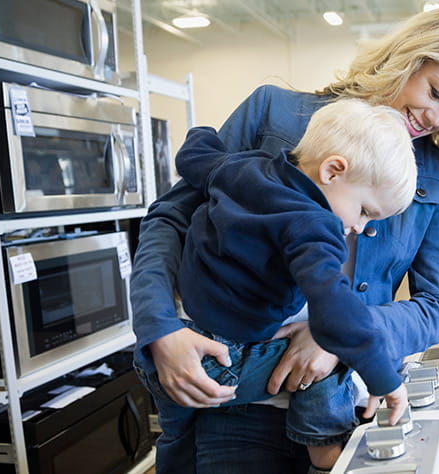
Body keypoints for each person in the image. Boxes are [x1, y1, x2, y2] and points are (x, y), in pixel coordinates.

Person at [131, 4, 439, 473]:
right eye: (436, 92)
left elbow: (436, 307)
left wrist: (336, 336)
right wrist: (159, 330)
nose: (436, 117)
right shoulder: (272, 111)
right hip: (237, 397)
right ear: (406, 58)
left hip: (345, 401)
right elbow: (170, 219)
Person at [169, 99, 413, 473]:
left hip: (180, 342)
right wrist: (384, 377)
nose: (361, 228)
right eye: (365, 210)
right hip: (220, 365)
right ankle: (327, 454)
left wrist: (200, 130)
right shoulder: (314, 227)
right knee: (334, 352)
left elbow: (195, 155)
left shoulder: (242, 168)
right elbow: (337, 313)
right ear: (333, 171)